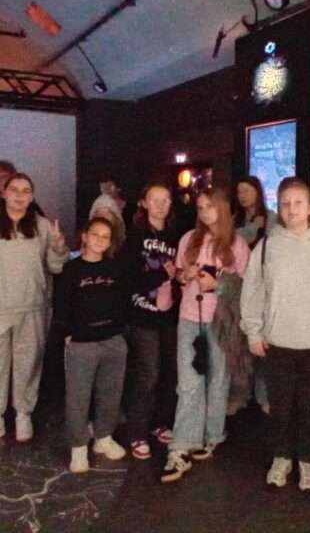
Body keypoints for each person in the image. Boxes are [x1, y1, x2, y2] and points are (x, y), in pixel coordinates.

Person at [240, 176, 310, 492]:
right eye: (285, 203)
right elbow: (253, 292)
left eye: (298, 202)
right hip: (278, 342)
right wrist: (253, 332)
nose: (292, 209)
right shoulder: (267, 247)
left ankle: (308, 463)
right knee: (281, 407)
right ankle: (282, 458)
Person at [0, 173, 69, 450]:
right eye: (14, 189)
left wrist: (59, 247)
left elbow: (55, 266)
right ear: (3, 193)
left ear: (32, 196)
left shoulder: (42, 225)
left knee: (28, 363)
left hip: (32, 307)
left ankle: (24, 414)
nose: (20, 195)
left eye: (26, 191)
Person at [160, 187, 250, 483]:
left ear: (222, 207)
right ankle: (182, 444)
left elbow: (247, 287)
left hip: (221, 320)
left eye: (209, 206)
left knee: (218, 379)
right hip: (189, 316)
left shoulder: (237, 243)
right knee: (188, 382)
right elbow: (179, 275)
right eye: (200, 207)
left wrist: (218, 284)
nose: (204, 212)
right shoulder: (189, 238)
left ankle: (213, 434)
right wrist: (184, 275)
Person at [56, 217, 129, 473]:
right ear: (85, 237)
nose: (99, 240)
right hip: (82, 343)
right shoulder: (71, 270)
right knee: (78, 396)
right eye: (95, 234)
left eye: (105, 237)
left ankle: (103, 438)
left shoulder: (115, 268)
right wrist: (67, 333)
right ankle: (78, 447)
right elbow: (61, 304)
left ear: (110, 242)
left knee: (110, 393)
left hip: (112, 340)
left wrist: (119, 331)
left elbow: (123, 300)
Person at [122, 182, 180, 460]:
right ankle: (137, 432)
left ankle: (160, 422)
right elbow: (129, 279)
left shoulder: (176, 235)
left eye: (165, 199)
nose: (160, 205)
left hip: (169, 314)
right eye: (154, 199)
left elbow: (180, 274)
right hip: (141, 314)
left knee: (169, 371)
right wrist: (162, 275)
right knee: (148, 373)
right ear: (143, 203)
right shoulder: (134, 236)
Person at [228, 175, 277, 416]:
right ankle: (241, 395)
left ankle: (264, 395)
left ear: (258, 191)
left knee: (263, 343)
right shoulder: (235, 219)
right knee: (240, 344)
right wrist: (252, 228)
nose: (243, 196)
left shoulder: (272, 218)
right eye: (239, 192)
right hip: (237, 284)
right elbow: (232, 242)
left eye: (247, 190)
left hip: (264, 285)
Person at [89, 194, 127, 258]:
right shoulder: (84, 244)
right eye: (98, 212)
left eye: (107, 212)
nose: (102, 216)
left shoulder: (126, 247)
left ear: (115, 218)